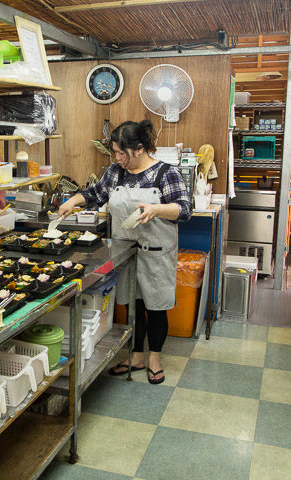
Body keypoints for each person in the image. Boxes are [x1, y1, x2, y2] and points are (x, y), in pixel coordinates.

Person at [58, 120, 192, 384]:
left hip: (156, 251)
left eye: (122, 153)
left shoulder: (166, 173)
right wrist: (72, 200)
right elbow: (95, 194)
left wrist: (157, 210)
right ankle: (137, 355)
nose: (117, 158)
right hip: (124, 250)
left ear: (139, 149)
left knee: (155, 306)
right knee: (133, 302)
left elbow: (185, 208)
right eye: (115, 153)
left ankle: (154, 357)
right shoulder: (115, 173)